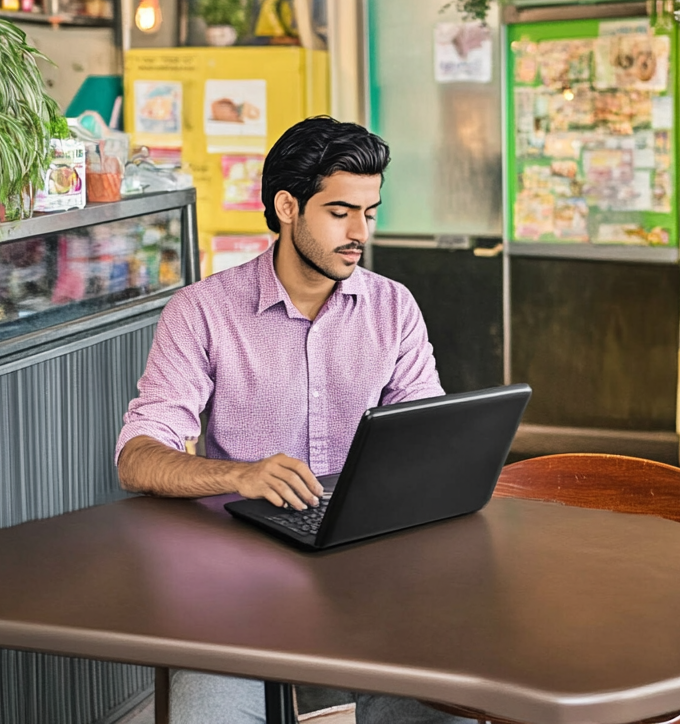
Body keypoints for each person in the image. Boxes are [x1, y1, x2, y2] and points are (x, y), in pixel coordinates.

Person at [114, 116, 468, 724]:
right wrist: (240, 475)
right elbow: (136, 458)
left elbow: (427, 433)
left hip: (376, 568)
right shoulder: (203, 312)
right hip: (239, 579)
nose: (360, 232)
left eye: (370, 212)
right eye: (340, 212)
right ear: (287, 206)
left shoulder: (393, 307)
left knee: (451, 704)